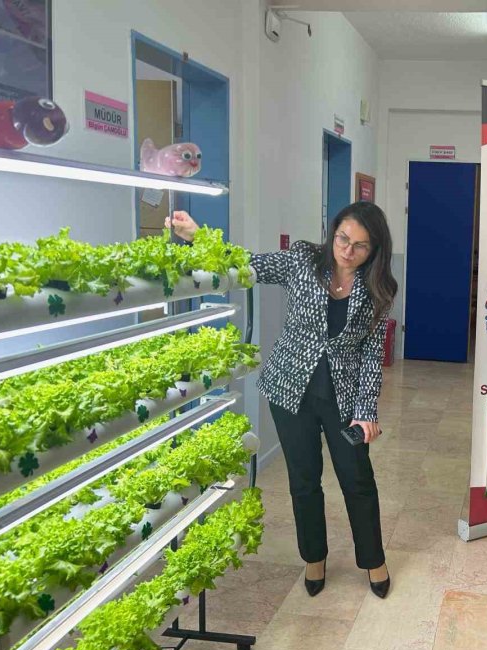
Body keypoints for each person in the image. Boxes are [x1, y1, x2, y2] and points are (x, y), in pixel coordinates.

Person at [166, 201, 398, 599]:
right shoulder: (302, 261)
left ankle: (373, 560)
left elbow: (371, 355)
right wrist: (198, 237)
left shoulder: (379, 289)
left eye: (360, 246)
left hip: (343, 401)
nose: (347, 250)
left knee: (358, 481)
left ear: (374, 250)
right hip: (292, 392)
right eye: (343, 238)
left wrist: (365, 412)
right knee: (304, 481)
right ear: (333, 232)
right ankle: (314, 558)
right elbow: (246, 264)